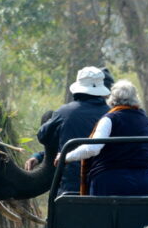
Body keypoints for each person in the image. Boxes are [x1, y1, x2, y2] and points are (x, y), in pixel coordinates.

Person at [61, 80, 148, 196]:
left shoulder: (110, 119)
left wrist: (66, 157)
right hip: (143, 181)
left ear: (112, 98)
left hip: (111, 182)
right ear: (135, 98)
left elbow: (93, 148)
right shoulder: (144, 119)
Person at [36, 66, 111, 194]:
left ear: (77, 90)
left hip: (70, 188)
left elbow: (43, 136)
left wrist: (50, 120)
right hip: (106, 185)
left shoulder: (64, 112)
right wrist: (38, 156)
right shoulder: (113, 114)